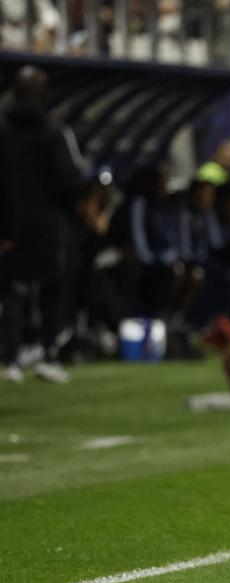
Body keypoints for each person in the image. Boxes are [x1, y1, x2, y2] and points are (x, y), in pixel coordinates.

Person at [0, 66, 83, 384]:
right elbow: (69, 181)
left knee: (11, 291)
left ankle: (10, 359)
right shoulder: (53, 132)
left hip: (7, 223)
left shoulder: (3, 129)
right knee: (52, 288)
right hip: (47, 223)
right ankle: (48, 354)